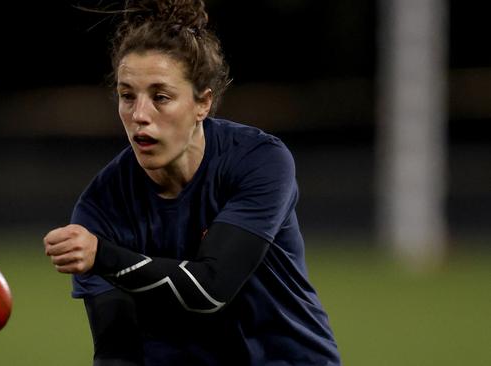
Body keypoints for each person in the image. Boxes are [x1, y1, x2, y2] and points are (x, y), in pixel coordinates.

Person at [44, 0, 341, 365]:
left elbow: (211, 288)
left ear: (203, 103)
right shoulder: (101, 207)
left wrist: (101, 255)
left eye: (161, 97)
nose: (139, 115)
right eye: (127, 96)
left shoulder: (257, 161)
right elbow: (117, 348)